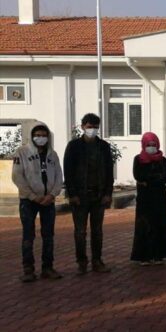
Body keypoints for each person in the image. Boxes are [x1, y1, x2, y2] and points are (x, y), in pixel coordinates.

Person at [12, 122, 63, 282]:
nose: (40, 138)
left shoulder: (52, 154)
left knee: (48, 235)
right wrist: (33, 196)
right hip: (28, 201)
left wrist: (53, 194)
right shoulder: (22, 152)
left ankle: (47, 267)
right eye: (37, 135)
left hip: (48, 200)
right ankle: (28, 269)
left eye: (43, 135)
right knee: (28, 235)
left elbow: (58, 176)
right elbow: (17, 177)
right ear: (32, 136)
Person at [64, 113, 114, 275]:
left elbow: (109, 172)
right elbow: (68, 171)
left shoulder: (104, 147)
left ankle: (97, 261)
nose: (92, 129)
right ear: (82, 127)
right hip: (80, 195)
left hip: (98, 195)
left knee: (97, 231)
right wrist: (72, 194)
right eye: (89, 126)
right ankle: (81, 262)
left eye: (95, 127)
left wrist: (108, 193)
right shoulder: (74, 146)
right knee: (80, 232)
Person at [131, 132, 166, 265]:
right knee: (145, 226)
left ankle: (159, 255)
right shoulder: (138, 159)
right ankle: (144, 257)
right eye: (148, 144)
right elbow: (138, 175)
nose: (151, 147)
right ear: (144, 145)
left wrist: (149, 179)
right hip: (145, 199)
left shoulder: (163, 160)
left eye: (153, 144)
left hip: (160, 198)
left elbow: (165, 177)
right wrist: (154, 177)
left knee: (160, 225)